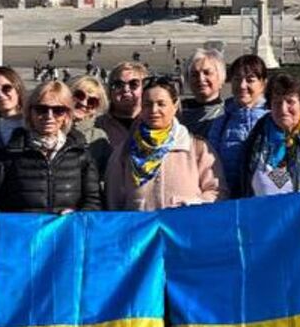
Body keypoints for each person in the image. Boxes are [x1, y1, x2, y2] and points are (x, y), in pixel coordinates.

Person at [0, 81, 103, 214]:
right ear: (30, 112)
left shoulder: (80, 153)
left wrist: (77, 214)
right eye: (41, 109)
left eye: (58, 110)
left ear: (67, 115)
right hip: (25, 232)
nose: (49, 116)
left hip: (67, 231)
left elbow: (93, 201)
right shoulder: (11, 153)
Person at [105, 78, 221, 211]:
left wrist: (194, 204)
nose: (154, 110)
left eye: (161, 104)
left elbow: (216, 191)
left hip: (184, 228)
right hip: (141, 229)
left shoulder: (196, 147)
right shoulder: (125, 151)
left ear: (175, 105)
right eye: (148, 104)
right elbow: (113, 201)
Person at [203, 55, 269, 177]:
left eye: (250, 80)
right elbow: (209, 163)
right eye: (237, 79)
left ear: (263, 84)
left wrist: (283, 191)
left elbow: (281, 164)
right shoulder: (221, 120)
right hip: (229, 194)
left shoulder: (273, 119)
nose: (242, 86)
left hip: (263, 194)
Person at [95, 61, 148, 166]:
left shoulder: (155, 121)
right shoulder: (98, 125)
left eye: (134, 84)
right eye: (118, 85)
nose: (126, 89)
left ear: (144, 89)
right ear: (110, 90)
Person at [179, 50, 227, 130]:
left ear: (220, 78)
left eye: (207, 73)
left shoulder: (229, 113)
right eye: (194, 74)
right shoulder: (176, 111)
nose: (201, 79)